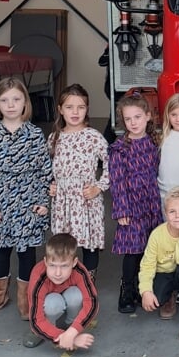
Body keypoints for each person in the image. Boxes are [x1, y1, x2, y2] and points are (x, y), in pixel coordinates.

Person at [0, 76, 50, 317]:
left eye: (16, 99)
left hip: (28, 201)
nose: (11, 105)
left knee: (27, 251)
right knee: (1, 248)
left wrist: (42, 201)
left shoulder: (35, 135)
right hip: (1, 201)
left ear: (25, 102)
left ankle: (25, 295)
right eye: (4, 100)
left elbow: (45, 170)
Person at [107, 92, 162, 315]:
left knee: (150, 249)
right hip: (131, 205)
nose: (133, 123)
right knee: (133, 250)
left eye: (138, 117)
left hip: (151, 204)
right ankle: (127, 288)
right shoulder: (120, 148)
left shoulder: (153, 142)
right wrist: (121, 208)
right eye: (128, 119)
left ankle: (144, 288)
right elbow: (116, 180)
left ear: (148, 116)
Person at [47, 84, 109, 273]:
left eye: (80, 107)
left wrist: (99, 187)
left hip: (86, 198)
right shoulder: (54, 138)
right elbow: (45, 168)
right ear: (60, 109)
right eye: (69, 107)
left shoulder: (93, 137)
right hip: (63, 201)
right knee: (64, 244)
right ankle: (66, 278)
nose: (75, 112)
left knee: (89, 243)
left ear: (87, 109)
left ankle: (88, 282)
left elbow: (112, 164)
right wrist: (49, 185)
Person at [138, 187, 179, 340]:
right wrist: (146, 291)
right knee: (156, 299)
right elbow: (147, 264)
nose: (178, 216)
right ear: (165, 213)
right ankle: (170, 295)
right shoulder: (157, 234)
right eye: (172, 211)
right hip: (164, 273)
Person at [19, 234, 99, 351]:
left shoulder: (80, 271)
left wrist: (73, 331)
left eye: (64, 266)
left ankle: (70, 325)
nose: (57, 273)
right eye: (52, 265)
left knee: (76, 295)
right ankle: (46, 330)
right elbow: (37, 320)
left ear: (74, 262)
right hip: (51, 301)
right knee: (52, 303)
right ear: (45, 262)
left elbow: (92, 302)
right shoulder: (38, 277)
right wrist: (63, 338)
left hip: (67, 295)